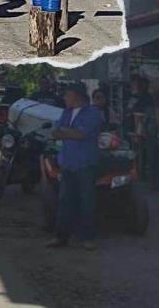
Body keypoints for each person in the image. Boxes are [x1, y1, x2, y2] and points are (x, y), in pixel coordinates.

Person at [47, 83, 102, 251]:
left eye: (67, 95)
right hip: (68, 162)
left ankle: (88, 237)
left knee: (86, 201)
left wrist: (67, 132)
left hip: (85, 164)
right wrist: (69, 132)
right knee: (65, 201)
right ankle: (61, 236)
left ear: (76, 96)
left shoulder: (93, 113)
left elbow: (81, 134)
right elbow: (56, 131)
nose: (64, 98)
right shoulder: (66, 112)